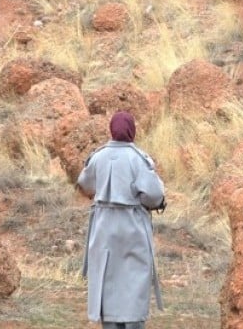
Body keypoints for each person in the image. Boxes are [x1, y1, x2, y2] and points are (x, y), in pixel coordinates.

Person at [78, 111, 166, 329]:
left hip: (102, 226)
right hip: (132, 226)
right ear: (131, 129)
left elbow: (85, 183)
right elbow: (154, 195)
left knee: (107, 280)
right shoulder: (138, 158)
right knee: (134, 278)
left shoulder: (98, 156)